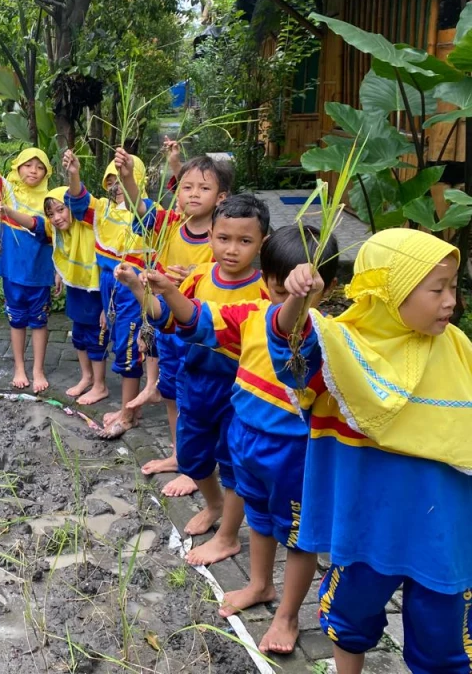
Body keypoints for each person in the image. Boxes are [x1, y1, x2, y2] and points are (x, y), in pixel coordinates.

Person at [271, 228, 472, 674]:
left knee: (444, 643)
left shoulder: (458, 349)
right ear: (389, 290)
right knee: (350, 618)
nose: (450, 302)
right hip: (367, 527)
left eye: (453, 288)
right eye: (437, 289)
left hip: (443, 532)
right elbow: (294, 362)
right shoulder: (344, 348)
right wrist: (295, 305)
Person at [142, 224, 338, 655]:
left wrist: (299, 298)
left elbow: (290, 328)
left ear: (329, 287)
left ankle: (287, 616)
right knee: (261, 519)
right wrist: (163, 290)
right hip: (246, 439)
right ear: (265, 279)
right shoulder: (254, 315)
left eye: (295, 290)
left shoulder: (324, 336)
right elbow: (196, 318)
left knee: (298, 535)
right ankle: (260, 584)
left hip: (293, 453)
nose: (282, 297)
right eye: (275, 285)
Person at [117, 192, 269, 567]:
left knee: (235, 462)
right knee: (190, 455)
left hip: (240, 390)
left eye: (245, 241)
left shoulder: (266, 289)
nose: (232, 249)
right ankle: (214, 503)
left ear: (262, 243)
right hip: (196, 381)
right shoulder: (199, 277)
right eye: (224, 238)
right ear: (211, 235)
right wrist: (140, 289)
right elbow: (166, 319)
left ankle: (229, 535)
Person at [123, 152, 232, 498]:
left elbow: (230, 277)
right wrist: (127, 175)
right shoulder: (170, 223)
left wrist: (200, 275)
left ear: (221, 198)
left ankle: (197, 466)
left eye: (204, 187)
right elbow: (139, 206)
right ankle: (180, 454)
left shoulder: (223, 237)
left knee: (194, 398)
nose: (193, 194)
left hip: (200, 335)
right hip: (168, 327)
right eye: (186, 187)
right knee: (171, 393)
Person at [0, 150, 109, 404]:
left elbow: (78, 199)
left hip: (97, 290)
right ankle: (87, 378)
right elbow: (33, 223)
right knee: (79, 335)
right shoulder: (53, 228)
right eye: (52, 214)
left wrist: (74, 173)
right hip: (77, 289)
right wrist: (8, 212)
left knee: (95, 338)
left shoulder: (85, 221)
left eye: (61, 210)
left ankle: (100, 384)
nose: (57, 217)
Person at [70, 149, 160, 434]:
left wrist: (128, 176)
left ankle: (128, 414)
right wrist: (73, 174)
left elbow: (142, 217)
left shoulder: (149, 210)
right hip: (109, 284)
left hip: (133, 286)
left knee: (128, 347)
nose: (116, 185)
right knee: (118, 342)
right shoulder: (102, 209)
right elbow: (78, 202)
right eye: (111, 179)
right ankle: (129, 407)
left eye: (123, 179)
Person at [0, 124, 53, 393]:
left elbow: (49, 232)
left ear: (47, 172)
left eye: (39, 167)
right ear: (17, 167)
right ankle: (19, 366)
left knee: (39, 321)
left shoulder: (51, 199)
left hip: (40, 270)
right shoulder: (7, 191)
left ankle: (38, 369)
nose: (33, 171)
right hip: (12, 270)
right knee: (16, 320)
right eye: (28, 165)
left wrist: (8, 213)